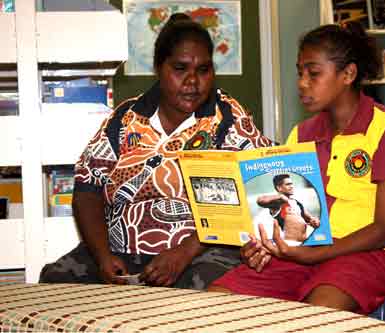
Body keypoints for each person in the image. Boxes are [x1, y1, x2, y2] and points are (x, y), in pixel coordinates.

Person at [39, 13, 272, 288]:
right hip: (120, 251)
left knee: (203, 293)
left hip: (203, 250)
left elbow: (257, 185)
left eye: (203, 70)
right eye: (180, 68)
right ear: (159, 69)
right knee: (56, 279)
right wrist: (103, 256)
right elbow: (87, 189)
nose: (192, 81)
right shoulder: (125, 118)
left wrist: (183, 253)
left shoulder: (228, 118)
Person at [208, 22, 385, 315]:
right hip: (303, 253)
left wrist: (313, 254)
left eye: (313, 73)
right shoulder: (301, 134)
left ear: (348, 74)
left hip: (372, 255)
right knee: (215, 303)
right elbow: (286, 214)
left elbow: (384, 230)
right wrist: (263, 245)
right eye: (299, 72)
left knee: (317, 314)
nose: (302, 82)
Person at [256, 174, 320, 244]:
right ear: (279, 188)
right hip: (290, 243)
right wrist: (280, 197)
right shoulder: (277, 204)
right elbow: (260, 201)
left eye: (292, 184)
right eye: (288, 184)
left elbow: (309, 218)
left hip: (304, 242)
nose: (292, 186)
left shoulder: (297, 203)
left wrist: (314, 221)